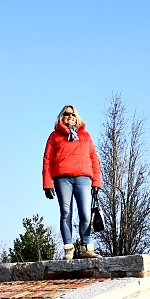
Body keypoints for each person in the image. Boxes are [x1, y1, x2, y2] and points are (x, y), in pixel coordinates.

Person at [42, 104, 103, 260]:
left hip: (83, 178)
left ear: (77, 117)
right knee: (66, 213)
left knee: (85, 214)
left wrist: (97, 182)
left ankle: (86, 248)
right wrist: (47, 184)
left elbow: (94, 159)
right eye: (66, 114)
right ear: (61, 117)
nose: (69, 116)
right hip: (62, 178)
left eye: (72, 114)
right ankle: (69, 249)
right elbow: (47, 160)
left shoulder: (86, 136)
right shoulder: (54, 136)